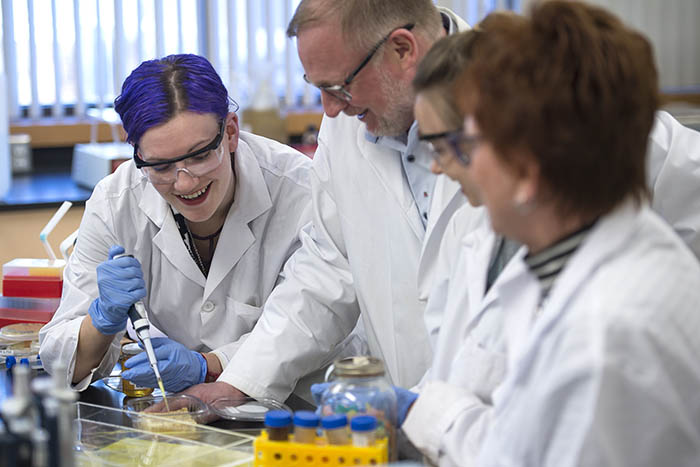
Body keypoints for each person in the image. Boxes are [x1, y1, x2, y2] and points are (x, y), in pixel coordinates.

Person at [421, 2, 700, 464]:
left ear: (528, 169)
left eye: (466, 143)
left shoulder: (607, 333)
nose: (446, 166)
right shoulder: (586, 262)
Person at [182, 0, 474, 404]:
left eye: (338, 88)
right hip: (415, 422)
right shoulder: (349, 125)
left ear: (403, 50)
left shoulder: (520, 105)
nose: (330, 109)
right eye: (318, 87)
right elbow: (328, 266)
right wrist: (241, 382)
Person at [39, 54, 315, 393]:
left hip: (288, 411)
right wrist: (101, 319)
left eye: (200, 156)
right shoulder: (116, 201)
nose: (184, 183)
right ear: (138, 154)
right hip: (174, 415)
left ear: (230, 132)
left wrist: (208, 366)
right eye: (160, 166)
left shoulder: (299, 189)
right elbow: (57, 362)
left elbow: (316, 327)